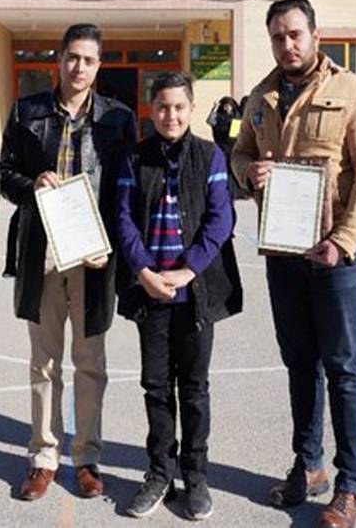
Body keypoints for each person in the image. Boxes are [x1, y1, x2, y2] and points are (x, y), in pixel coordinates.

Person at [230, 0, 356, 528]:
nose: (287, 45)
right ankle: (309, 465)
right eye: (278, 37)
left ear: (316, 35)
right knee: (300, 364)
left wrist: (344, 239)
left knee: (343, 369)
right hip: (284, 254)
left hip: (337, 256)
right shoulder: (261, 97)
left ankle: (349, 484)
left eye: (295, 34)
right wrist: (249, 172)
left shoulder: (352, 91)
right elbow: (240, 153)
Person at [0, 24, 137, 501]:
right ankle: (43, 457)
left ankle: (87, 457)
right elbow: (3, 173)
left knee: (90, 361)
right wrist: (30, 185)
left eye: (89, 60)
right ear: (58, 60)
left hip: (93, 253)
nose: (79, 67)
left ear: (99, 66)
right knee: (44, 361)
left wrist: (111, 247)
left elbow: (126, 191)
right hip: (42, 249)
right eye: (72, 57)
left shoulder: (118, 118)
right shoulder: (27, 111)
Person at [115, 71, 242, 521]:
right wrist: (144, 272)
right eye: (163, 107)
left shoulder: (210, 156)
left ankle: (196, 476)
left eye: (179, 107)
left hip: (194, 294)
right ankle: (159, 473)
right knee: (155, 386)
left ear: (191, 109)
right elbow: (124, 219)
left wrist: (188, 271)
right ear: (151, 110)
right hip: (151, 293)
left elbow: (220, 220)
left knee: (194, 388)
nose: (171, 115)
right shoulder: (134, 158)